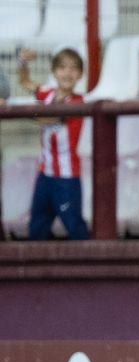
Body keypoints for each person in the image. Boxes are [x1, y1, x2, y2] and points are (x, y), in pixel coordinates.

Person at [15, 46, 88, 240]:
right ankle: (36, 261)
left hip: (67, 177)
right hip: (45, 175)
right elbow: (25, 82)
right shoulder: (47, 94)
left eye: (73, 68)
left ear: (80, 74)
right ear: (54, 72)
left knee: (74, 226)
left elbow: (48, 118)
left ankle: (91, 260)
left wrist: (15, 111)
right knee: (37, 227)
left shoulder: (77, 102)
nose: (67, 73)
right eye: (62, 67)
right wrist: (22, 62)